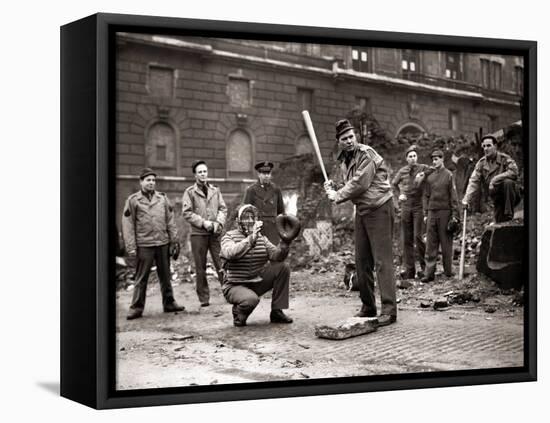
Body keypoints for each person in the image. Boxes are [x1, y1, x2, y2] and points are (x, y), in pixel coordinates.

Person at [323, 119, 396, 326]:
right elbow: (349, 183)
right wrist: (334, 186)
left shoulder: (366, 154)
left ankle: (389, 310)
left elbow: (359, 183)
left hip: (380, 207)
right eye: (344, 138)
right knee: (362, 260)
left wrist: (337, 195)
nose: (348, 141)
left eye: (351, 137)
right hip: (363, 210)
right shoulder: (345, 159)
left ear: (356, 137)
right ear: (339, 141)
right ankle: (368, 306)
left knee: (382, 261)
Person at [220, 204, 300, 327]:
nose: (250, 221)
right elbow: (230, 253)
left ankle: (277, 311)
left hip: (255, 281)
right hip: (234, 285)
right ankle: (238, 312)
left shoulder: (261, 238)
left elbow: (276, 256)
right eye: (246, 217)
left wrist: (285, 242)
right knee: (250, 300)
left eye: (253, 217)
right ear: (238, 221)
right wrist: (250, 239)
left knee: (282, 267)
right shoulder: (229, 236)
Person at [122, 168, 185, 320]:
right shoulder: (133, 200)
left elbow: (170, 221)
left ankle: (169, 303)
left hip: (162, 242)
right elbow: (128, 225)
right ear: (141, 182)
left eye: (153, 180)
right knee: (141, 277)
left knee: (165, 275)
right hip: (144, 244)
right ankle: (136, 307)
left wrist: (174, 240)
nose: (151, 183)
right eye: (148, 180)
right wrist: (131, 247)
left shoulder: (162, 199)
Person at [182, 160, 228, 307]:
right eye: (200, 172)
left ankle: (229, 292)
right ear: (195, 175)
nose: (203, 174)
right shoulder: (189, 192)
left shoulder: (215, 190)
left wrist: (218, 223)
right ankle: (204, 298)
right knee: (200, 267)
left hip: (215, 233)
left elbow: (223, 208)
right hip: (198, 235)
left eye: (205, 171)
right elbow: (187, 213)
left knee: (222, 263)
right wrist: (204, 223)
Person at [419, 150, 459, 283]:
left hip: (445, 212)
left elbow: (453, 197)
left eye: (437, 159)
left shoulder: (448, 175)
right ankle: (429, 274)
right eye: (433, 159)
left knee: (446, 243)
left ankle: (448, 271)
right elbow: (425, 196)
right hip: (432, 212)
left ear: (442, 159)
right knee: (430, 244)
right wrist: (425, 213)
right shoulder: (429, 177)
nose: (434, 161)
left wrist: (454, 215)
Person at [462, 135, 520, 223]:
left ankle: (509, 214)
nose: (486, 149)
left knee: (508, 182)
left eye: (489, 145)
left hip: (510, 195)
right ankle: (504, 218)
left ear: (495, 146)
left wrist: (495, 179)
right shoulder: (481, 163)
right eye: (484, 146)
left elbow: (514, 172)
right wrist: (466, 199)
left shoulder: (504, 158)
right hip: (496, 198)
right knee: (499, 223)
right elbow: (473, 181)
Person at [391, 144, 429, 279]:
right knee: (406, 238)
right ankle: (410, 270)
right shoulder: (402, 171)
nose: (413, 158)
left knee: (418, 237)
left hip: (418, 205)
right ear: (406, 159)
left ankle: (426, 269)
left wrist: (423, 174)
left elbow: (433, 171)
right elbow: (393, 184)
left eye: (414, 156)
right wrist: (399, 195)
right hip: (406, 206)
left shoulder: (423, 167)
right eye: (410, 156)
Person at [243, 161, 285, 244]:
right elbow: (246, 212)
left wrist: (281, 230)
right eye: (263, 173)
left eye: (268, 173)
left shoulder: (276, 189)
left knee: (273, 253)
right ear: (259, 174)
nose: (266, 176)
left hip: (273, 229)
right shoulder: (251, 190)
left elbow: (281, 212)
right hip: (258, 228)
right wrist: (250, 230)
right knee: (259, 253)